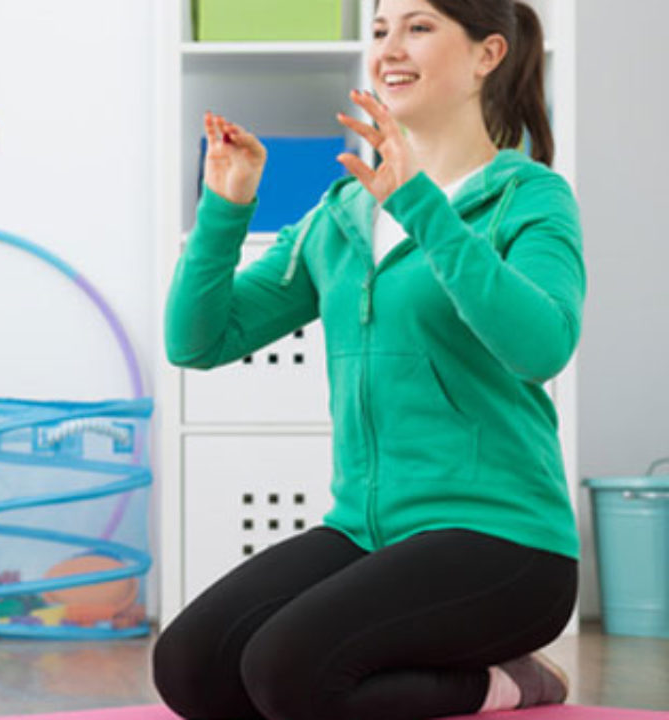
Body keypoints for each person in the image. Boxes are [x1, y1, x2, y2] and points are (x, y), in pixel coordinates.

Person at [153, 0, 584, 718]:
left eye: (420, 27)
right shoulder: (343, 214)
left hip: (507, 541)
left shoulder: (529, 198)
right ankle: (467, 673)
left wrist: (421, 206)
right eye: (381, 29)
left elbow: (542, 347)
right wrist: (225, 208)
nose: (389, 48)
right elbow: (198, 342)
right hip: (366, 531)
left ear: (487, 55)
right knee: (190, 667)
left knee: (286, 670)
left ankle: (505, 684)